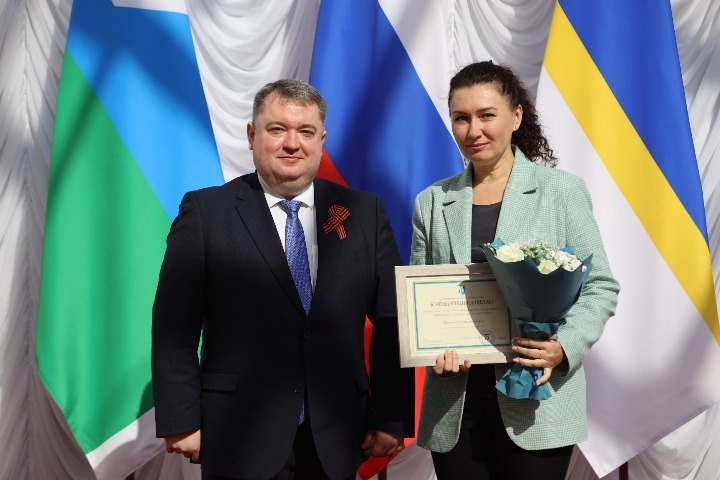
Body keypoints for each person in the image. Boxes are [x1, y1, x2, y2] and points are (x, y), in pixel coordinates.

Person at [151, 79, 414, 480]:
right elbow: (174, 324)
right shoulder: (206, 213)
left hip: (338, 437)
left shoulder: (364, 213)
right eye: (277, 129)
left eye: (306, 131)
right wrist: (180, 419)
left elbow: (392, 321)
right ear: (251, 135)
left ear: (321, 140)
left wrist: (391, 416)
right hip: (238, 437)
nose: (292, 143)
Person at [410, 61, 620, 479]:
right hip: (455, 406)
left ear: (517, 116)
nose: (474, 130)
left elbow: (600, 286)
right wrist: (432, 348)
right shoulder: (431, 201)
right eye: (461, 118)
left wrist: (563, 347)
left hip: (538, 403)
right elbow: (421, 298)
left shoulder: (561, 192)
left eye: (487, 115)